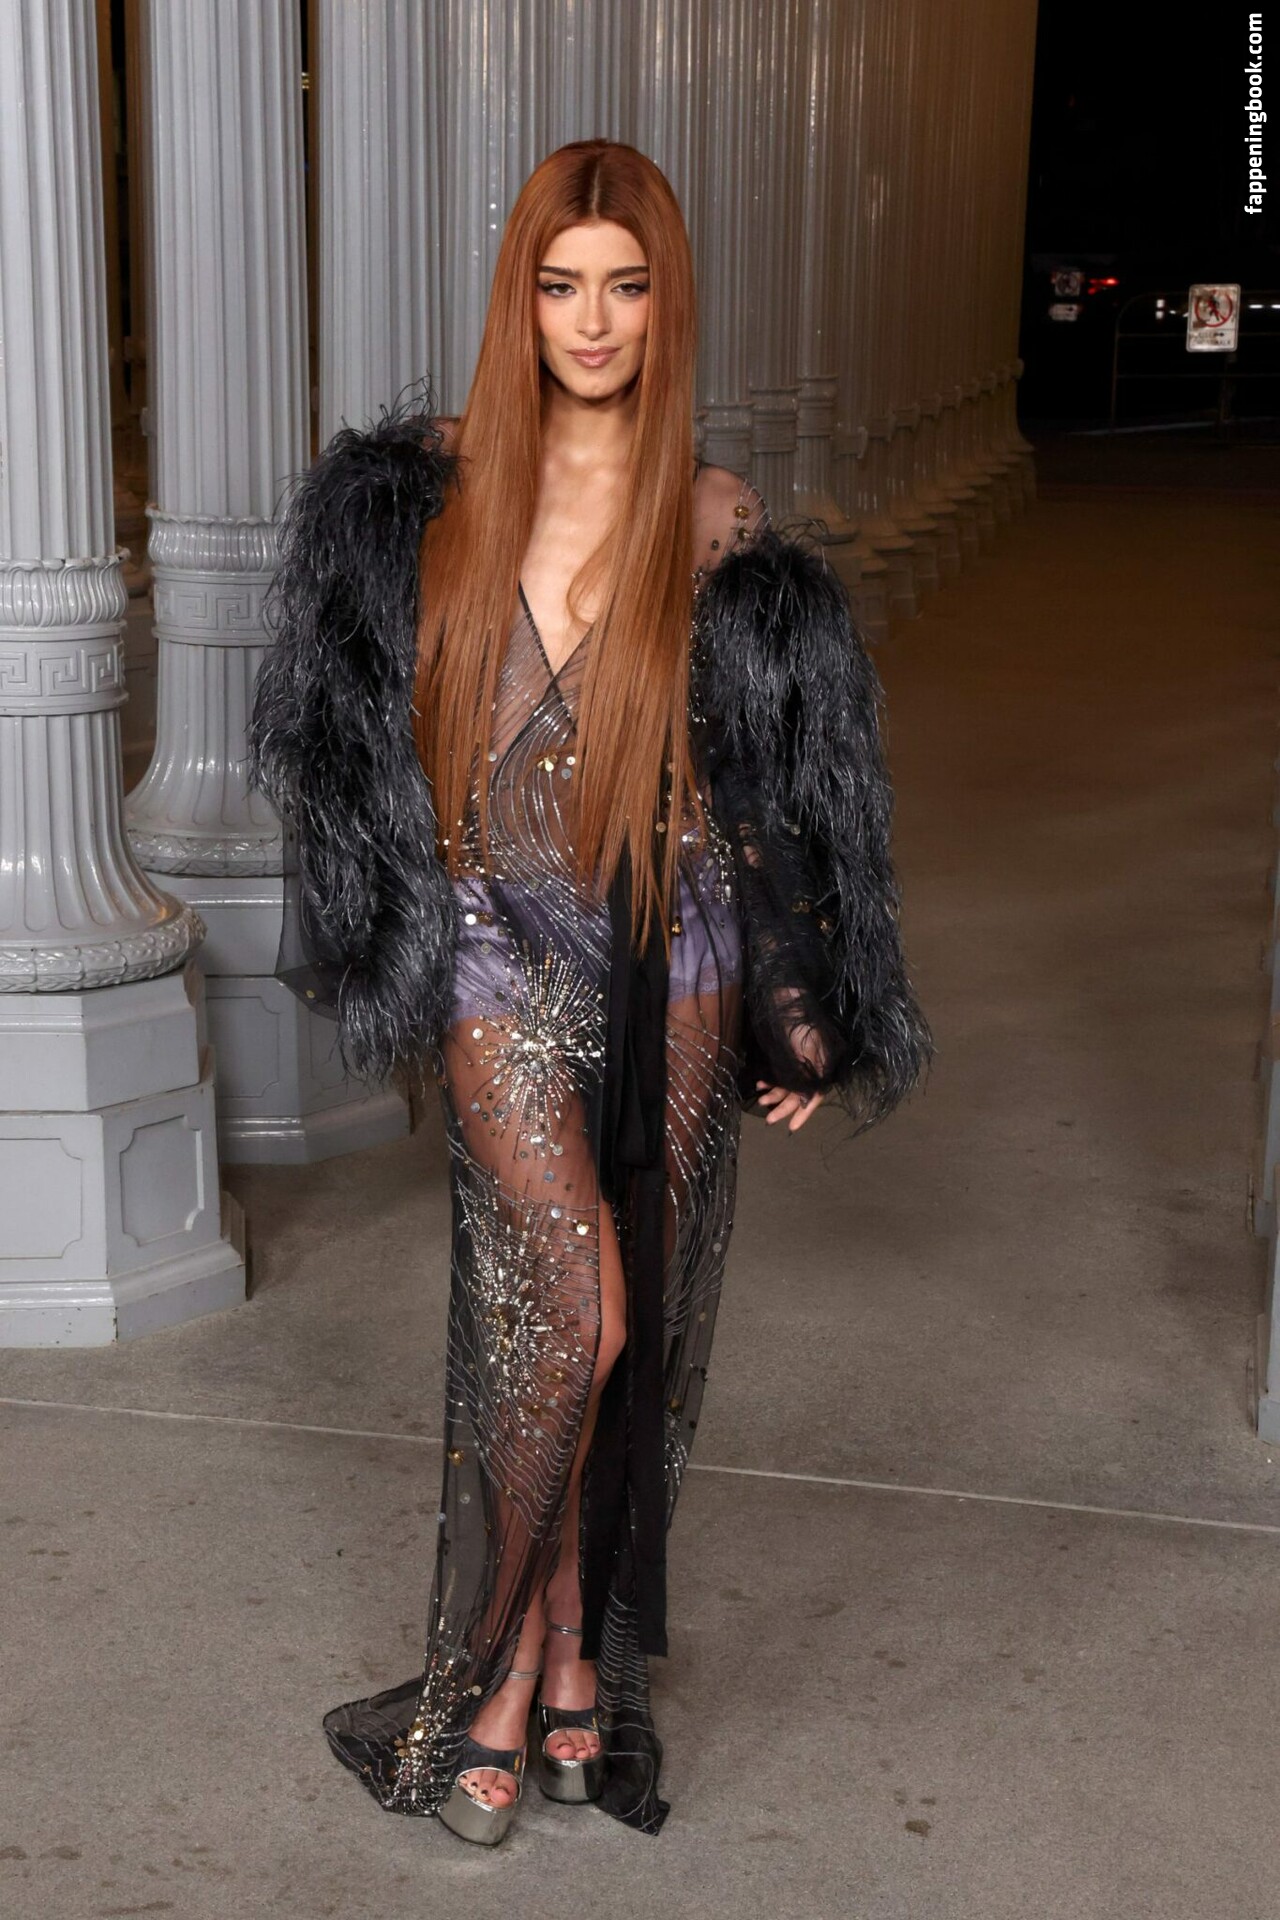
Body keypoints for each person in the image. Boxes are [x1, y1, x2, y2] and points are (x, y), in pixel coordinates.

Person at [248, 137, 932, 1846]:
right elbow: (347, 742)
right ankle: (492, 1673)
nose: (595, 319)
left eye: (627, 286)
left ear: (666, 299)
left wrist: (807, 997)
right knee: (574, 1315)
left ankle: (573, 1664)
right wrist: (389, 922)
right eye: (563, 285)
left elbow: (762, 788)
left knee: (644, 1333)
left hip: (669, 956)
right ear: (522, 297)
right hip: (492, 952)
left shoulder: (710, 512)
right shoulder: (426, 489)